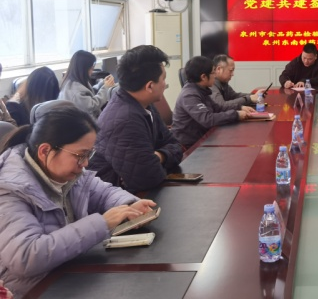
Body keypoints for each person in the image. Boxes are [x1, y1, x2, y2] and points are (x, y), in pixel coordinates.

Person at [0, 105, 156, 298]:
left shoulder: (65, 172)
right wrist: (103, 223)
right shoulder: (9, 189)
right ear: (45, 151)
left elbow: (103, 192)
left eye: (89, 154)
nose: (86, 163)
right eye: (81, 155)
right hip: (33, 289)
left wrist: (129, 205)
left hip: (69, 273)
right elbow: (26, 257)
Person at [88, 45, 183, 193]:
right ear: (149, 86)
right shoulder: (125, 120)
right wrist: (158, 160)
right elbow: (148, 178)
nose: (165, 84)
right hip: (115, 199)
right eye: (163, 79)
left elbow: (175, 146)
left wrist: (159, 156)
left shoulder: (144, 105)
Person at [172, 56, 251, 149]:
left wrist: (239, 107)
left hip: (204, 137)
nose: (215, 75)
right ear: (203, 77)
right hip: (190, 145)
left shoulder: (201, 89)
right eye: (213, 72)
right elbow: (207, 119)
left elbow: (218, 108)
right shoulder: (189, 95)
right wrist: (235, 115)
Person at [58, 50, 116, 119]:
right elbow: (93, 105)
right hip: (85, 123)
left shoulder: (72, 81)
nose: (92, 71)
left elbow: (89, 93)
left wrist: (103, 83)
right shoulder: (75, 92)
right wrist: (105, 88)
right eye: (91, 69)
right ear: (83, 69)